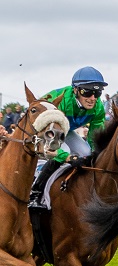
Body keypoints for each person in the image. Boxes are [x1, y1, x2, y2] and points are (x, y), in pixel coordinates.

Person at [29, 66, 107, 208]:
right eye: (87, 92)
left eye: (97, 93)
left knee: (86, 153)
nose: (92, 98)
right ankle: (36, 191)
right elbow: (52, 145)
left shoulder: (99, 108)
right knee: (64, 153)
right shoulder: (62, 102)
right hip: (44, 128)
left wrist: (95, 156)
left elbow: (94, 138)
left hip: (65, 129)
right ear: (75, 90)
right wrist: (67, 157)